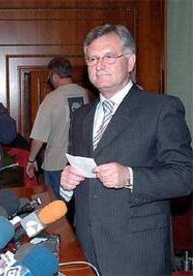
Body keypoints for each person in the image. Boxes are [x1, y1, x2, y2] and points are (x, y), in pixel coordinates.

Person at [60, 23, 193, 275]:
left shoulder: (161, 108)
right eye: (92, 59)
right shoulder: (81, 116)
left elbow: (185, 177)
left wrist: (130, 177)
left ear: (130, 62)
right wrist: (67, 185)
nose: (100, 65)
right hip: (87, 246)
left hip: (137, 251)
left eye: (109, 56)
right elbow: (80, 173)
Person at [26, 56, 89, 199]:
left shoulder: (51, 99)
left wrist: (31, 160)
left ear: (54, 76)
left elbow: (39, 136)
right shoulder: (86, 94)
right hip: (80, 165)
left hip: (56, 165)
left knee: (57, 210)